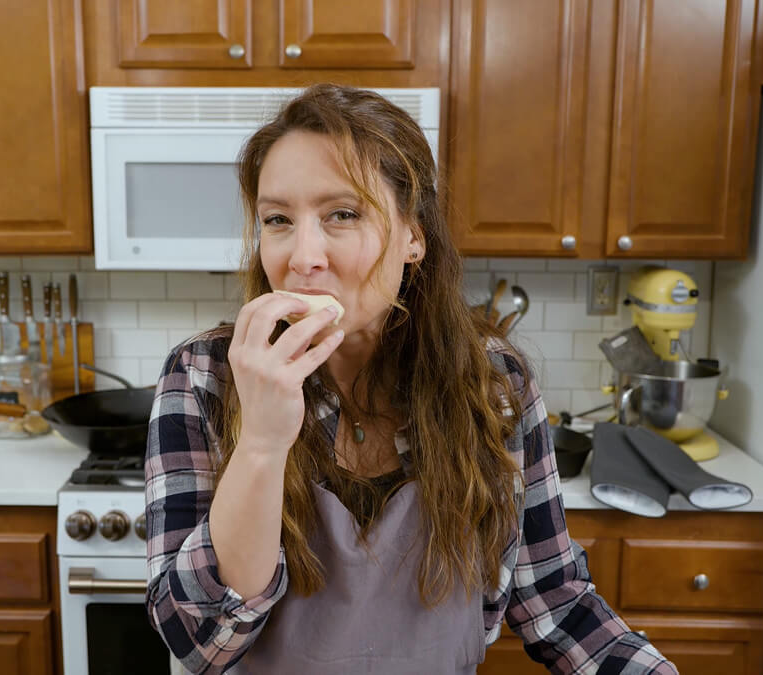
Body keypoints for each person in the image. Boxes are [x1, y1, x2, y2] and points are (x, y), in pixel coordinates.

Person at [144, 84, 677, 674]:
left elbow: (555, 601)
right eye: (277, 220)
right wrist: (263, 443)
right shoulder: (204, 377)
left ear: (413, 236)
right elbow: (199, 642)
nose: (302, 255)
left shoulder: (493, 382)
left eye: (341, 214)